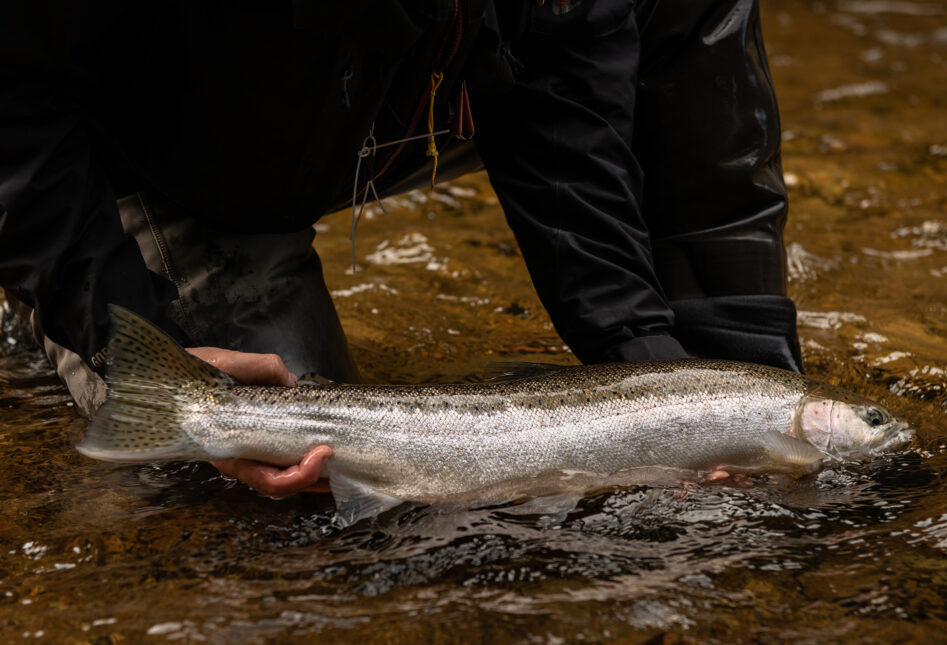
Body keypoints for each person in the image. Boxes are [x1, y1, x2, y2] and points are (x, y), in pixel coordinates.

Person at [0, 0, 800, 499]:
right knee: (263, 475)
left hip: (387, 88)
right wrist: (116, 329)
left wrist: (662, 378)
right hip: (143, 143)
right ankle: (44, 297)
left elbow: (569, 106)